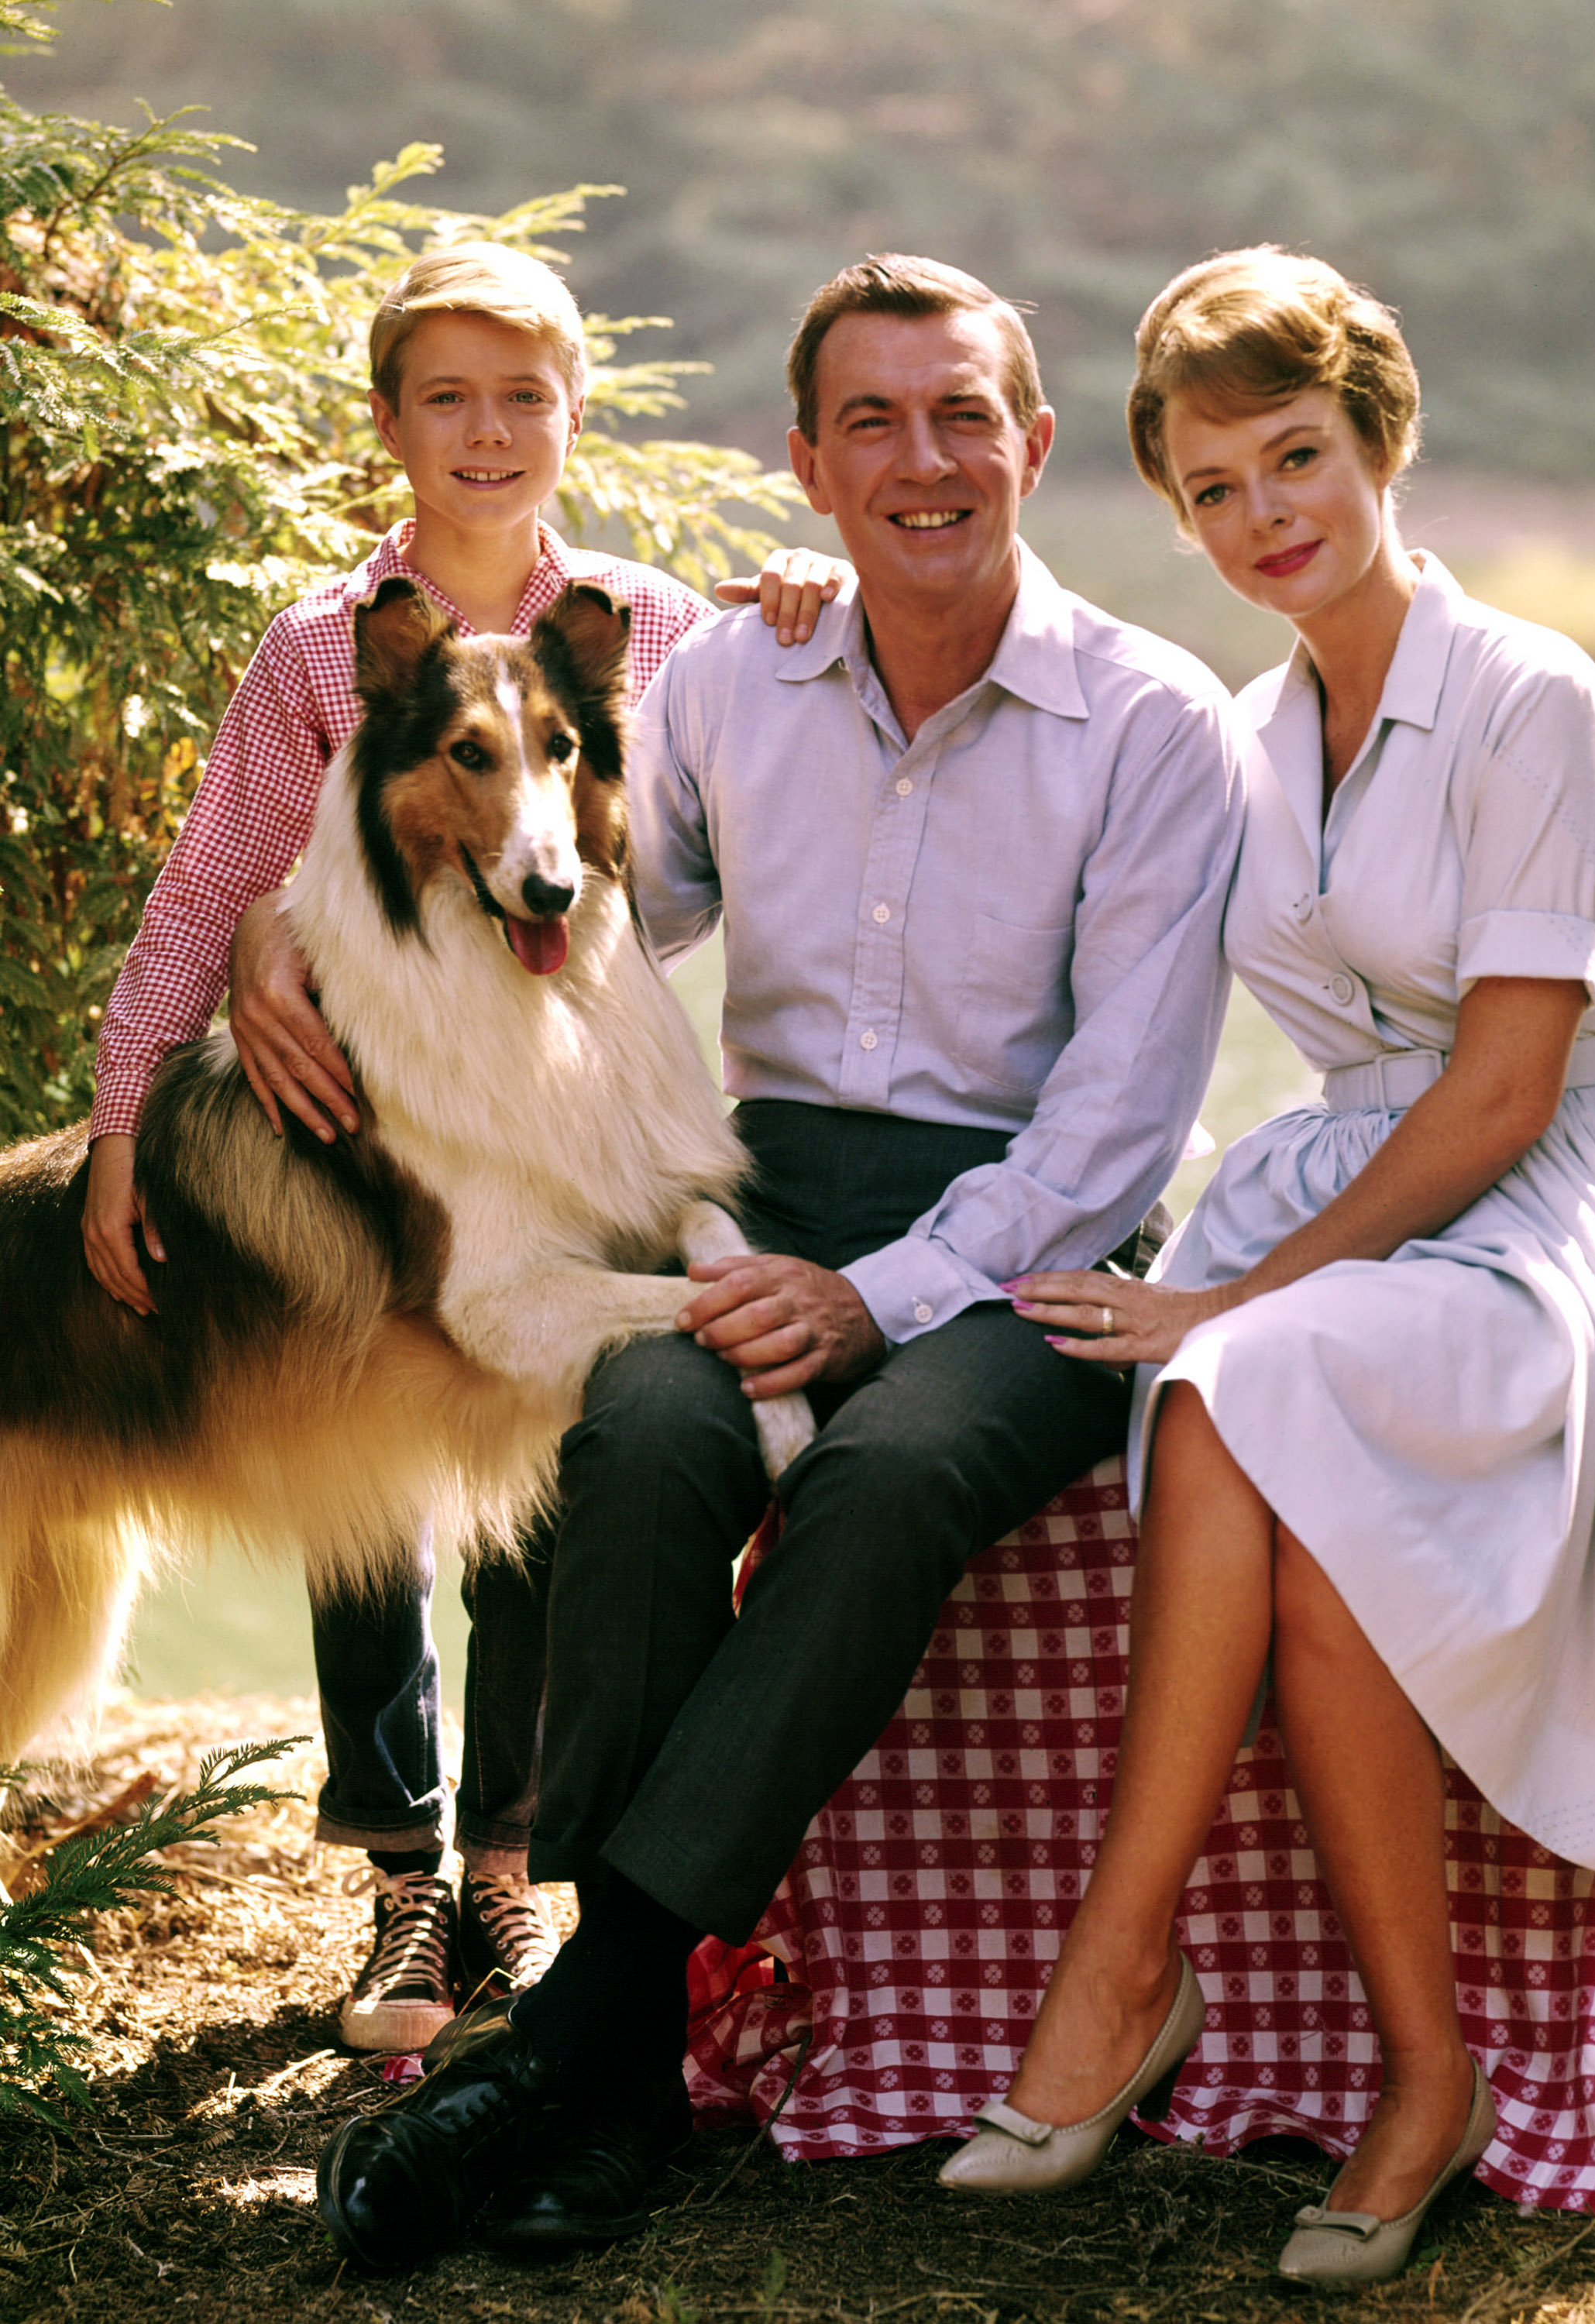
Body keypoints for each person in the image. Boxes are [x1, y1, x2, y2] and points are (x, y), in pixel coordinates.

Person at [312, 252, 1242, 2271]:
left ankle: (583, 2033)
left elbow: (1122, 1116)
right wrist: (711, 1234)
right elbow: (623, 953)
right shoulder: (724, 676)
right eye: (877, 422)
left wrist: (876, 1298)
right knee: (642, 1433)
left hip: (1036, 1242)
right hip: (757, 1202)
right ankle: (623, 2070)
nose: (927, 461)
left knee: (892, 1472)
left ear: (1037, 445)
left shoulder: (1156, 726)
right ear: (806, 460)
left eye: (965, 415)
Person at [940, 246, 1595, 2286]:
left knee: (1239, 1379)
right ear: (1173, 513)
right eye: (1213, 487)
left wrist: (1230, 1303)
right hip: (1380, 1183)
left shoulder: (1530, 695)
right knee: (1284, 1455)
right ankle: (1418, 2075)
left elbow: (1507, 1089)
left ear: (1383, 444)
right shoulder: (1258, 729)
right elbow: (1052, 723)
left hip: (1582, 1196)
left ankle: (1120, 1967)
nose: (1265, 514)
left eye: (1299, 458)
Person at [82, 240, 842, 2056]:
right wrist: (124, 1127)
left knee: (549, 1466)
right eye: (447, 396)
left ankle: (507, 1868)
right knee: (372, 1467)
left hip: (567, 1104)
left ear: (573, 415)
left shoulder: (658, 625)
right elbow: (209, 892)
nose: (487, 432)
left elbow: (808, 734)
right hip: (358, 1118)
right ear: (390, 421)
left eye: (524, 395)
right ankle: (401, 1875)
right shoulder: (317, 647)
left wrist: (826, 588)